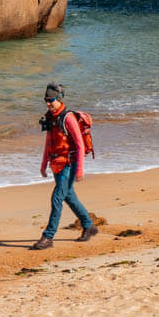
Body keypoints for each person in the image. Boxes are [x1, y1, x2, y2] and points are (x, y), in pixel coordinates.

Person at [32, 83, 95, 250]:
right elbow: (48, 143)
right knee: (69, 197)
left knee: (56, 198)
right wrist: (43, 164)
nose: (47, 103)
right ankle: (89, 226)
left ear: (58, 99)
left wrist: (80, 170)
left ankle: (48, 236)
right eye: (45, 100)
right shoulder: (51, 117)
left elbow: (80, 145)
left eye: (50, 100)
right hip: (56, 165)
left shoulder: (68, 118)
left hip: (69, 164)